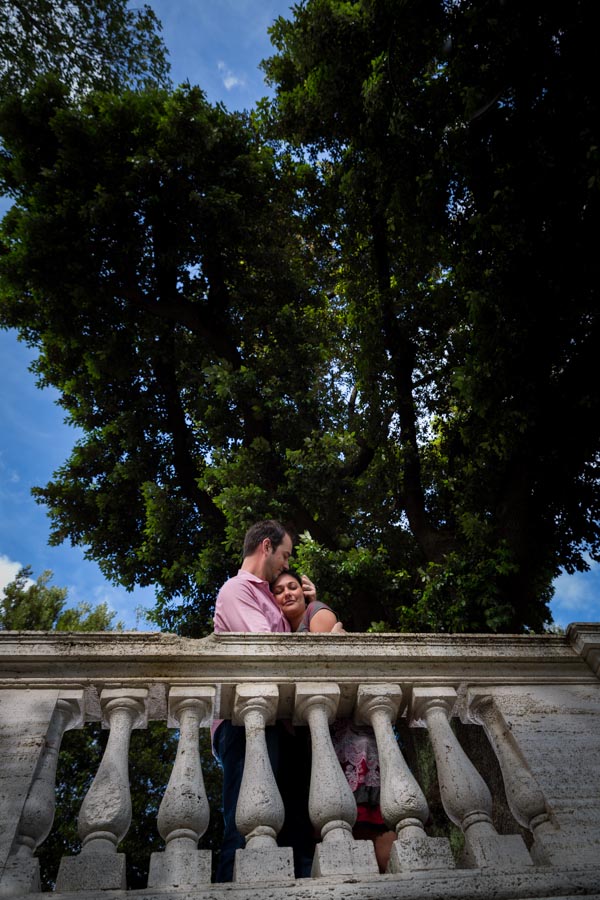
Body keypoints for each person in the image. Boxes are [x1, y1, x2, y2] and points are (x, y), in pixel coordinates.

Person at [270, 569, 396, 873]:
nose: (287, 593)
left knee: (368, 825)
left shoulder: (317, 611)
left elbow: (322, 661)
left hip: (347, 737)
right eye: (278, 590)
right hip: (321, 740)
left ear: (305, 592)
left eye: (293, 587)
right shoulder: (284, 631)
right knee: (335, 830)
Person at [212, 520, 313, 881]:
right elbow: (268, 651)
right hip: (245, 723)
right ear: (267, 547)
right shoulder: (237, 590)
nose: (287, 565)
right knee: (246, 828)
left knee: (293, 830)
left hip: (281, 724)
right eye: (285, 555)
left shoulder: (269, 598)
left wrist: (308, 607)